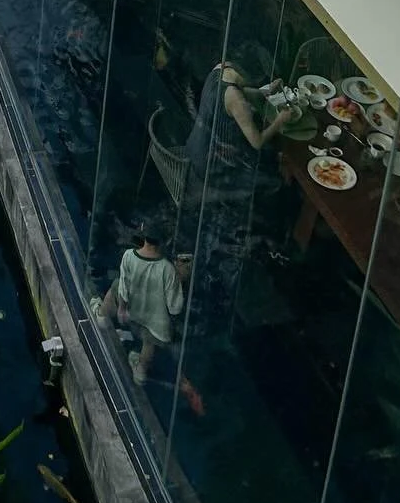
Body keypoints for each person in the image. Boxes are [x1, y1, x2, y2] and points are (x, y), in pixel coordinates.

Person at [183, 60, 293, 325]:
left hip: (197, 147)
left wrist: (265, 90)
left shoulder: (219, 70)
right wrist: (281, 119)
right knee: (273, 181)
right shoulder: (237, 100)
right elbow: (256, 141)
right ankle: (272, 232)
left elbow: (243, 92)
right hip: (216, 164)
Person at [95, 218, 190, 384]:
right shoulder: (167, 268)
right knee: (153, 335)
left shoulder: (129, 256)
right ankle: (141, 370)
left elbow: (123, 287)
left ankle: (102, 316)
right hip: (152, 320)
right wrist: (181, 278)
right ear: (164, 242)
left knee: (116, 286)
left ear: (144, 237)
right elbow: (175, 308)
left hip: (131, 308)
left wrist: (122, 309)